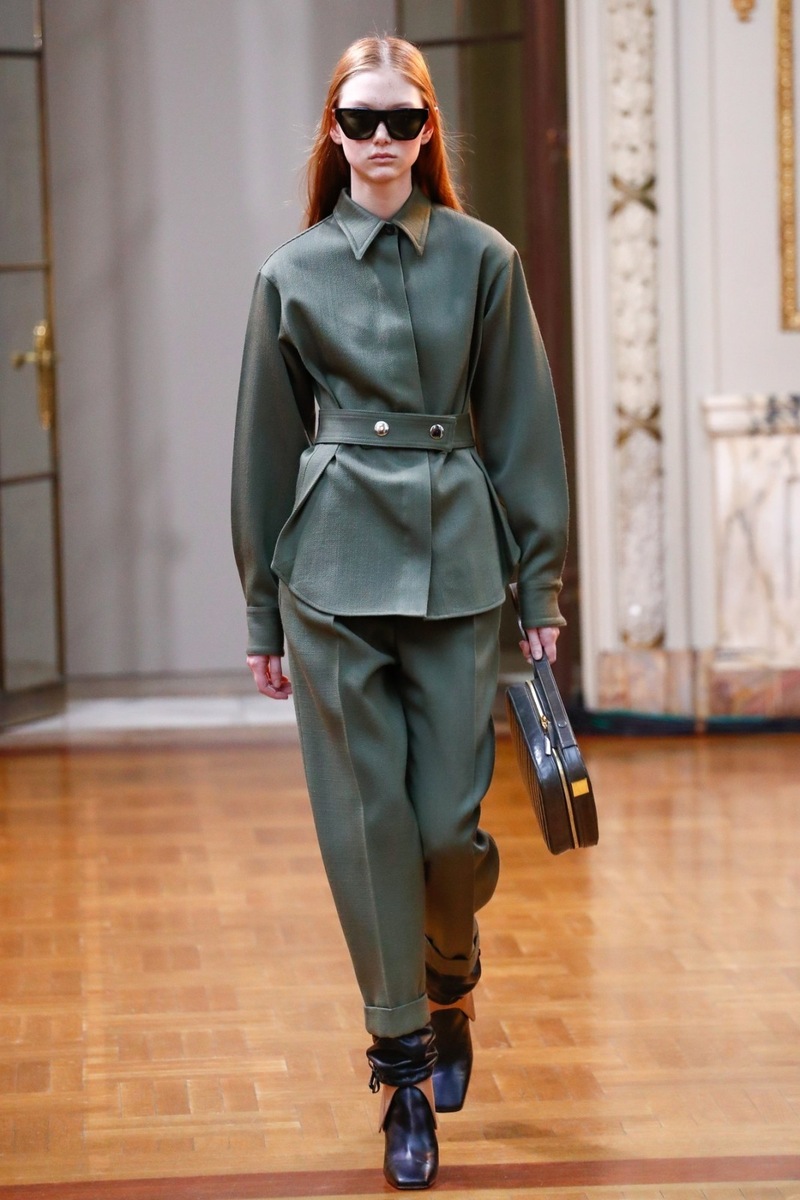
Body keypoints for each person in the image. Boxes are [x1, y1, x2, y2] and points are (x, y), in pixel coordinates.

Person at [232, 34, 568, 1190]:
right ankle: (403, 1075)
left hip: (458, 568)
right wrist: (261, 614)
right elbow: (261, 450)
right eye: (360, 119)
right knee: (364, 828)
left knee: (443, 834)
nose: (381, 139)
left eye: (401, 119)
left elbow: (522, 427)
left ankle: (450, 977)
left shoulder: (484, 260)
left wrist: (539, 585)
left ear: (428, 131)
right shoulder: (288, 274)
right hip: (328, 569)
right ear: (333, 131)